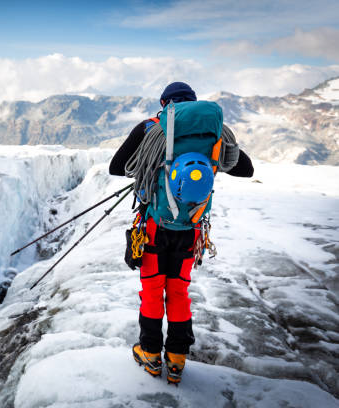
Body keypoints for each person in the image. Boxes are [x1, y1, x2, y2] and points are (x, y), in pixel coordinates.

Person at [109, 82, 254, 384]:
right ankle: (176, 360)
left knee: (152, 290)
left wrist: (153, 168)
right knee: (178, 291)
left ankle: (149, 354)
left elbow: (116, 167)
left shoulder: (152, 127)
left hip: (154, 228)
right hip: (191, 229)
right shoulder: (216, 133)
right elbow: (246, 169)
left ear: (165, 104)